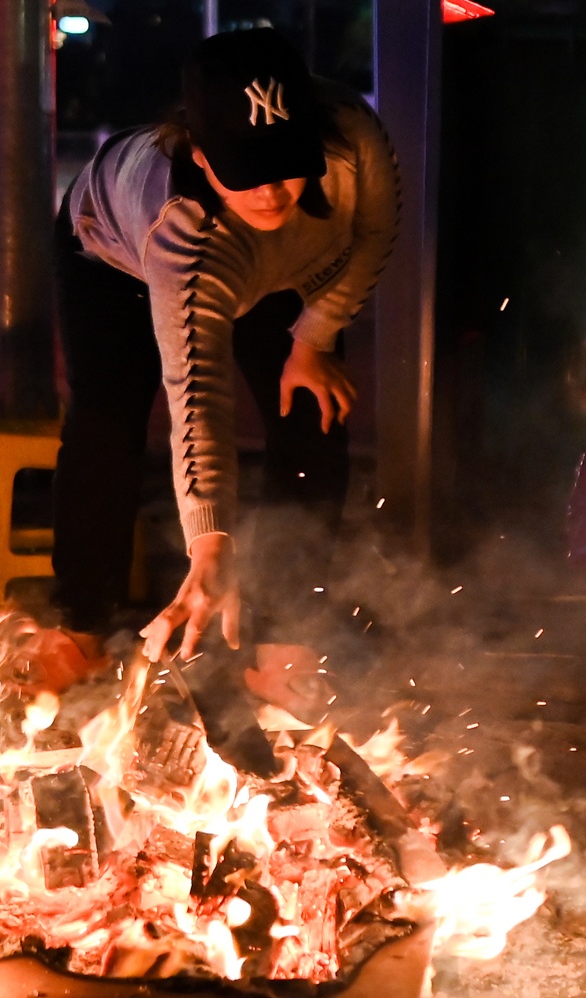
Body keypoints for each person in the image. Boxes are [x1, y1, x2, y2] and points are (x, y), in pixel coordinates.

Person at [47, 27, 400, 678]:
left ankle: (283, 637)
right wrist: (209, 546)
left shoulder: (350, 133)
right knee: (108, 421)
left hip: (286, 274)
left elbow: (375, 231)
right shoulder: (180, 233)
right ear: (201, 153)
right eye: (246, 171)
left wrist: (314, 338)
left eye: (284, 164)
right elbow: (197, 396)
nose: (270, 193)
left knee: (314, 417)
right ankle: (81, 624)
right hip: (113, 258)